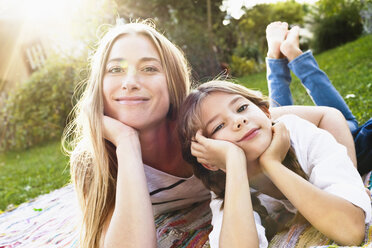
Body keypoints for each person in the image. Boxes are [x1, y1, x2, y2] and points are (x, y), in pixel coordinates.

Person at [62, 20, 360, 248]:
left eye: (149, 68)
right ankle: (276, 59)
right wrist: (127, 144)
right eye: (115, 70)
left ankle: (284, 58)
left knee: (291, 112)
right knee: (266, 108)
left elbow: (319, 117)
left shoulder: (207, 127)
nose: (129, 82)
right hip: (266, 142)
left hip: (328, 131)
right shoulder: (96, 163)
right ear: (98, 85)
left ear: (173, 83)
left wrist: (348, 185)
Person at [178, 80, 371, 248]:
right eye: (218, 126)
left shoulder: (300, 134)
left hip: (338, 131)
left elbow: (350, 230)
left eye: (242, 108)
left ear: (266, 113)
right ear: (210, 161)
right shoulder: (228, 191)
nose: (239, 120)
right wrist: (234, 162)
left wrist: (272, 163)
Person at [265, 21, 372, 175]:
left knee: (345, 122)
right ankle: (280, 59)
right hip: (347, 144)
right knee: (344, 122)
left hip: (342, 150)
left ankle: (288, 58)